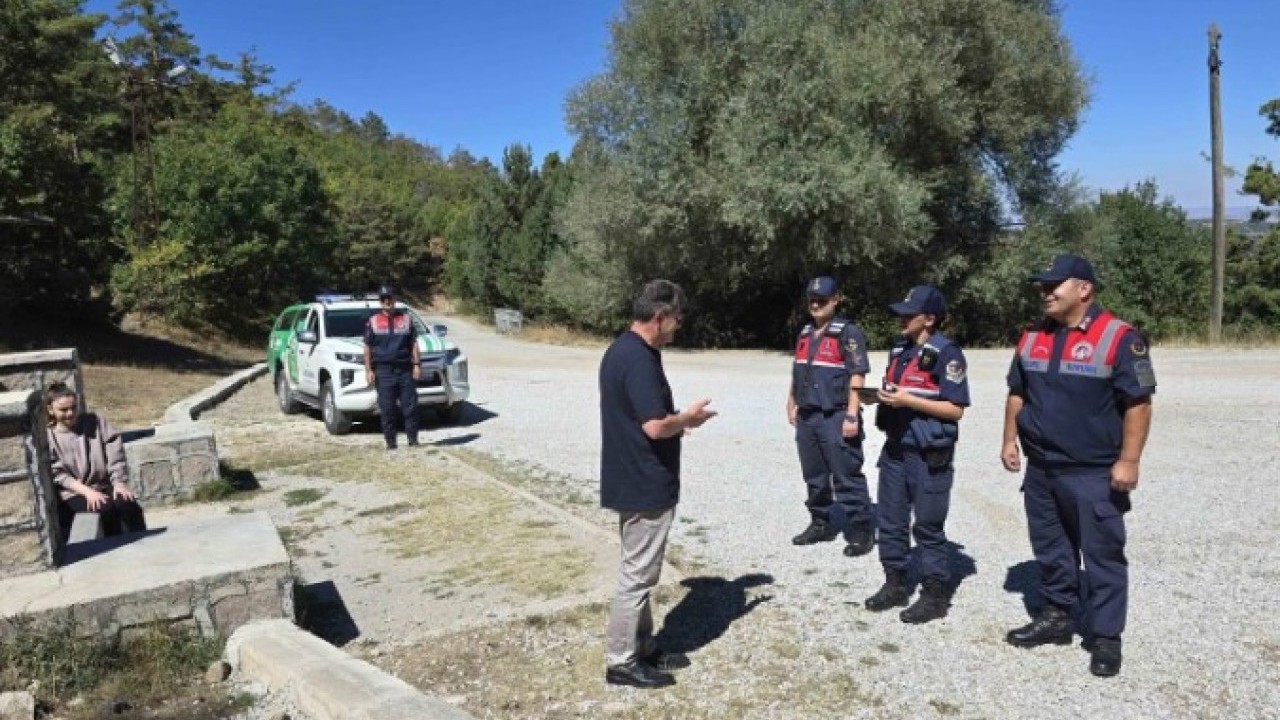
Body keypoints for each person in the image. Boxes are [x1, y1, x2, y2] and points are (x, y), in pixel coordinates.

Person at [1001, 254, 1155, 678]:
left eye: (1055, 285)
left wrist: (1129, 460)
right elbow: (1018, 392)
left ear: (1084, 289)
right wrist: (1009, 438)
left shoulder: (1120, 337)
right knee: (1051, 548)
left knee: (1102, 554)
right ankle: (1057, 616)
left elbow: (1138, 403)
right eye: (1042, 286)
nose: (1045, 293)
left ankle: (1105, 637)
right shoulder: (1032, 336)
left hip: (1093, 471)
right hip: (1042, 469)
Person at [599, 279, 717, 689]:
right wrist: (687, 419)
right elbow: (654, 425)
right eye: (677, 319)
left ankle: (642, 646)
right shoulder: (639, 359)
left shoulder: (622, 351)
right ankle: (621, 661)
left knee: (641, 570)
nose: (678, 327)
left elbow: (641, 419)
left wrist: (675, 424)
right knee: (637, 576)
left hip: (630, 475)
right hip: (644, 481)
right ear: (660, 316)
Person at [863, 286, 970, 624]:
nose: (901, 319)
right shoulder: (900, 350)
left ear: (930, 319)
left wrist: (909, 401)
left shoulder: (947, 354)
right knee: (891, 521)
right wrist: (877, 397)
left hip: (928, 453)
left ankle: (935, 595)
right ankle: (895, 583)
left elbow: (955, 410)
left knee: (927, 526)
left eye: (909, 314)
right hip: (896, 447)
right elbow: (896, 392)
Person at [785, 276, 875, 557]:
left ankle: (861, 529)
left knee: (846, 473)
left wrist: (851, 415)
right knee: (813, 474)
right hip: (808, 415)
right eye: (812, 299)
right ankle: (820, 522)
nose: (816, 304)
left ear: (836, 300)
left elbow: (857, 375)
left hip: (834, 415)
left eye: (822, 300)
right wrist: (791, 400)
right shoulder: (804, 332)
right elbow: (799, 368)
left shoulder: (847, 333)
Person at [44, 383, 147, 541]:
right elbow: (58, 475)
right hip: (74, 492)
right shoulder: (49, 438)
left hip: (104, 484)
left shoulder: (95, 422)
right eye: (63, 410)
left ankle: (144, 543)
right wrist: (87, 492)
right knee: (105, 508)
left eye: (73, 407)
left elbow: (115, 452)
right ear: (51, 410)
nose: (70, 413)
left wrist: (119, 482)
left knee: (127, 504)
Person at [363, 285, 422, 450]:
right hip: (383, 371)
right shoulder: (373, 322)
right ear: (380, 302)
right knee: (387, 409)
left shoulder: (406, 319)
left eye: (390, 298)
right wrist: (368, 370)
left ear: (395, 299)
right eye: (384, 299)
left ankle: (413, 440)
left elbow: (414, 344)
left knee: (410, 407)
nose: (387, 301)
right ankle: (391, 443)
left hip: (405, 370)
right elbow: (367, 348)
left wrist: (417, 365)